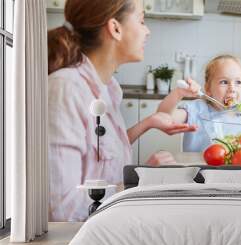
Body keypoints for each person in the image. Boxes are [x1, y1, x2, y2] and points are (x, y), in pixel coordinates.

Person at [48, 0, 198, 221]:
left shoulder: (108, 88)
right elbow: (63, 210)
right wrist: (140, 184)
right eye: (142, 21)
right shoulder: (66, 90)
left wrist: (148, 122)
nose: (148, 31)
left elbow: (98, 155)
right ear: (115, 29)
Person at [157, 54, 241, 152]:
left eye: (238, 82)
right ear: (208, 88)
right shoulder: (197, 110)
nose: (232, 89)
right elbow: (163, 117)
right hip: (198, 166)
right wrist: (179, 93)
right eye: (224, 82)